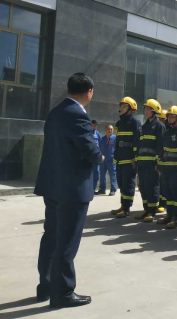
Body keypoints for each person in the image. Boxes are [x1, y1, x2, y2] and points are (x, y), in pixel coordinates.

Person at [35, 73, 103, 309]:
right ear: (89, 92)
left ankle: (46, 285)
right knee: (67, 240)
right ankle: (62, 292)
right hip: (72, 188)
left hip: (53, 185)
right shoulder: (78, 115)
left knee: (52, 235)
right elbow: (89, 149)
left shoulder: (55, 112)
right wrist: (99, 156)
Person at [156, 106, 177, 229]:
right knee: (167, 193)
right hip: (166, 169)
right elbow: (161, 150)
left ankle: (176, 217)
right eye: (168, 116)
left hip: (176, 170)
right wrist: (159, 164)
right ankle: (169, 215)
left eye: (172, 116)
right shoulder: (167, 133)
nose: (169, 118)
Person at [134, 99, 165, 222]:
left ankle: (152, 211)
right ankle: (146, 209)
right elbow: (139, 144)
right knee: (143, 187)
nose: (146, 111)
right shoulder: (143, 127)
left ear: (155, 111)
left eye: (148, 109)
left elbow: (161, 146)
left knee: (152, 187)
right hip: (142, 163)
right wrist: (136, 159)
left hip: (153, 163)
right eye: (145, 109)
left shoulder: (159, 126)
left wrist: (158, 163)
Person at [111, 97, 141, 218]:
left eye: (124, 106)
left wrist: (135, 157)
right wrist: (116, 156)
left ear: (131, 109)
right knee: (121, 183)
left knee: (128, 183)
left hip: (130, 159)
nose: (122, 108)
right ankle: (122, 206)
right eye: (121, 106)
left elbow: (137, 141)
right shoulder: (119, 123)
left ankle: (127, 208)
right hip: (120, 158)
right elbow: (118, 141)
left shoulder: (135, 122)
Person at [96, 125, 117, 196]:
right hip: (103, 160)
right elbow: (99, 148)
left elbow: (118, 149)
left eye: (111, 129)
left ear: (113, 130)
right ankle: (102, 189)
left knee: (112, 175)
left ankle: (113, 190)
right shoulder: (102, 139)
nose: (109, 130)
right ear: (105, 130)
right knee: (102, 175)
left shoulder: (115, 138)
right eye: (108, 129)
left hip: (112, 160)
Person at [91, 119, 101, 192]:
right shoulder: (87, 132)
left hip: (96, 156)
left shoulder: (97, 133)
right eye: (95, 125)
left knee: (96, 173)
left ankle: (93, 189)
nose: (96, 126)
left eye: (96, 125)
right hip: (89, 156)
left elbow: (100, 143)